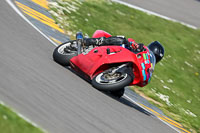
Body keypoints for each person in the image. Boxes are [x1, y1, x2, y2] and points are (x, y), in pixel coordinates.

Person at [81, 30, 165, 64]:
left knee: (119, 93)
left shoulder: (146, 66)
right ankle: (90, 42)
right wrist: (133, 44)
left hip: (114, 63)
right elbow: (130, 40)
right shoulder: (140, 49)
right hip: (113, 51)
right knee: (122, 39)